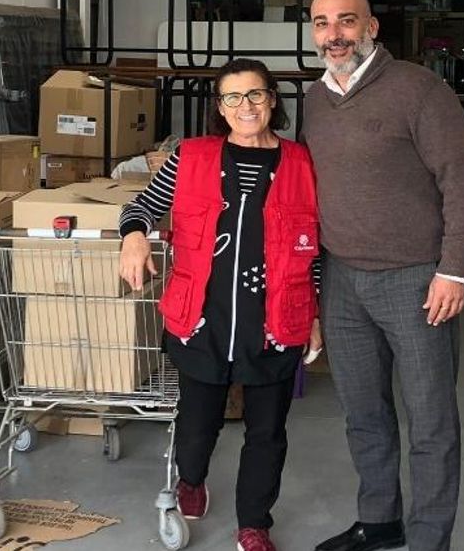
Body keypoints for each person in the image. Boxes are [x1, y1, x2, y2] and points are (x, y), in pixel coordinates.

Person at [301, 0, 464, 551]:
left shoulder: (418, 90)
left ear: (372, 27)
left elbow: (463, 179)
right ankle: (379, 519)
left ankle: (429, 538)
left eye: (346, 22)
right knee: (363, 411)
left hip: (415, 279)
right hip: (342, 279)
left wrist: (454, 270)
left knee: (429, 418)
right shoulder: (315, 98)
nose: (335, 34)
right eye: (322, 23)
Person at [118, 58, 322, 551]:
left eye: (255, 95)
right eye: (233, 97)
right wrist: (134, 238)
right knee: (196, 426)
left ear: (273, 99)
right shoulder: (191, 156)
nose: (245, 106)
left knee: (267, 432)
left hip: (275, 319)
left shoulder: (302, 162)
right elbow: (139, 206)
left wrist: (315, 314)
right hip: (202, 318)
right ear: (220, 108)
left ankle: (254, 524)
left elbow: (316, 247)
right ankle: (191, 479)